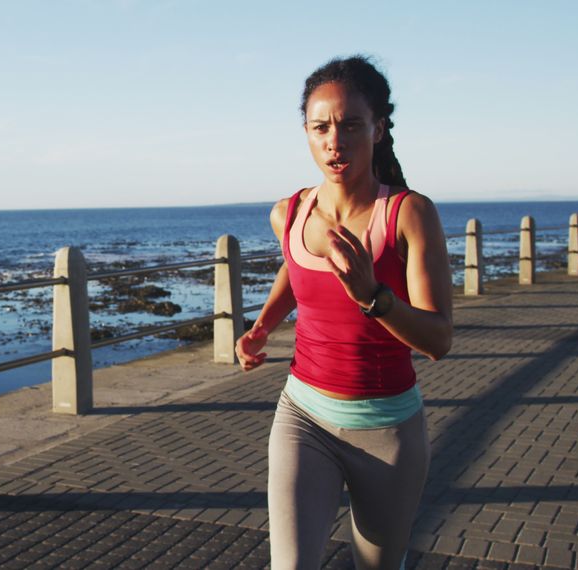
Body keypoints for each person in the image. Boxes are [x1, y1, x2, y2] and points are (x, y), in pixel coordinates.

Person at [235, 55, 453, 569]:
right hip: (303, 416)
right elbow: (297, 267)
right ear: (306, 133)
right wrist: (262, 326)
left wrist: (373, 295)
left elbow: (439, 339)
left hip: (387, 431)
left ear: (378, 129)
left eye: (352, 124)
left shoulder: (408, 214)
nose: (335, 140)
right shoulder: (288, 212)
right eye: (321, 127)